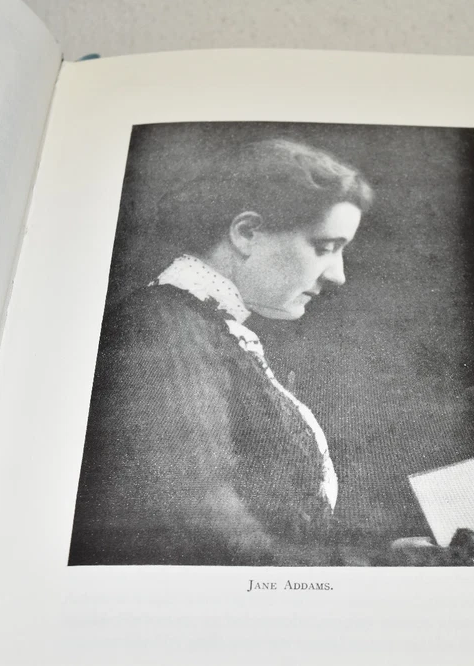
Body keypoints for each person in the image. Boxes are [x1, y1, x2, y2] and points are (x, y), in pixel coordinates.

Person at [68, 138, 376, 566]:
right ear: (246, 233)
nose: (338, 275)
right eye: (324, 247)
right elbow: (203, 524)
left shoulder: (209, 329)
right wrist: (372, 569)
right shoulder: (164, 326)